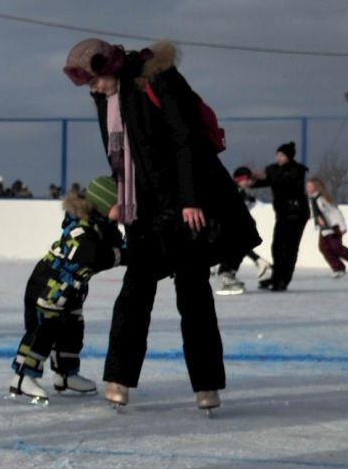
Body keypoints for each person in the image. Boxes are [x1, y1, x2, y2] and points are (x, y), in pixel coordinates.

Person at [64, 38, 257, 413]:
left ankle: (207, 386)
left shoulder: (157, 79)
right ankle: (118, 379)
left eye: (93, 81)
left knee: (193, 293)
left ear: (109, 67)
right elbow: (120, 155)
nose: (92, 89)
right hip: (143, 211)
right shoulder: (106, 98)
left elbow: (186, 140)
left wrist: (190, 199)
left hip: (183, 207)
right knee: (135, 293)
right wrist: (121, 198)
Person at [7, 176, 125, 403]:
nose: (124, 210)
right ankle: (23, 377)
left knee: (72, 329)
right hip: (49, 285)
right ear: (104, 204)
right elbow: (91, 255)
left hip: (70, 290)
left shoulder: (105, 226)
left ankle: (65, 374)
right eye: (118, 205)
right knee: (44, 329)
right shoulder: (80, 227)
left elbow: (120, 247)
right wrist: (123, 256)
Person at [251, 143, 309, 291]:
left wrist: (268, 173)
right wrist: (248, 180)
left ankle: (284, 280)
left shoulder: (297, 170)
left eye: (282, 155)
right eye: (277, 155)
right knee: (277, 246)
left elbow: (286, 182)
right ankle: (276, 277)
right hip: (283, 214)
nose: (279, 158)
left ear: (289, 156)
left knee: (290, 247)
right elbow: (264, 181)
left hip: (297, 214)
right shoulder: (275, 170)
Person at [213, 166, 273, 295]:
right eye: (247, 179)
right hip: (227, 228)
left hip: (237, 228)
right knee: (233, 248)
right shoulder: (230, 190)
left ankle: (230, 273)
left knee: (242, 246)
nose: (250, 182)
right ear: (239, 179)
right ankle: (225, 274)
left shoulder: (240, 192)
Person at [307, 177, 348, 278]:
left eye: (309, 186)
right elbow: (313, 213)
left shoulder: (323, 199)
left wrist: (342, 226)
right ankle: (338, 268)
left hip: (334, 226)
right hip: (324, 228)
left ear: (316, 186)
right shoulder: (313, 200)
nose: (307, 188)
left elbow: (336, 212)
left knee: (337, 248)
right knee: (323, 248)